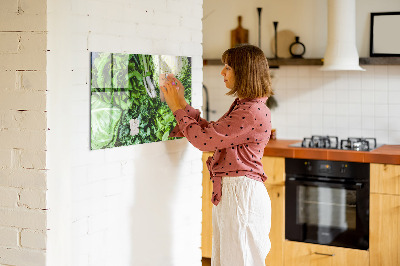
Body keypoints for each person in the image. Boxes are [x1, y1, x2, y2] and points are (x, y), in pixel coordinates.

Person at [161, 44, 273, 266]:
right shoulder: (246, 106)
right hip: (236, 193)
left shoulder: (250, 111)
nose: (222, 72)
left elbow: (204, 141)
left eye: (228, 67)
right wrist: (182, 103)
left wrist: (176, 108)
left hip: (241, 195)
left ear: (244, 72)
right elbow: (212, 133)